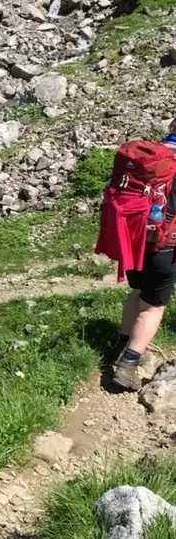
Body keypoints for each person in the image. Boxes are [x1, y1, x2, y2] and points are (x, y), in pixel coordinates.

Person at [113, 128, 176, 391]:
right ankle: (128, 365)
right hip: (164, 246)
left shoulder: (145, 156)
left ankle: (120, 346)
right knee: (153, 307)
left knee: (137, 291)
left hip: (133, 240)